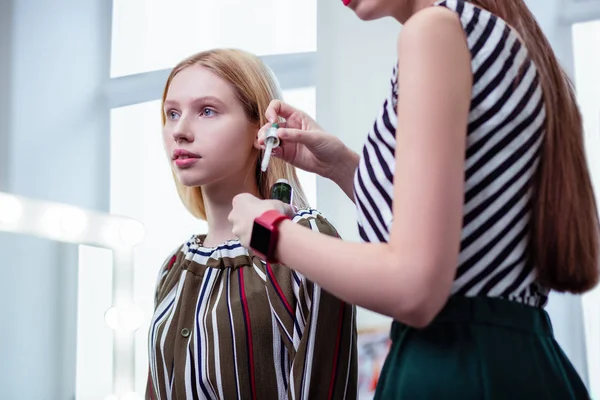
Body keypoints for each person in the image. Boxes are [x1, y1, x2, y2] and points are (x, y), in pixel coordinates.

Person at [228, 0, 599, 398]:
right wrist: (343, 166)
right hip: (513, 362)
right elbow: (464, 217)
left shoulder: (434, 32)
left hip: (457, 370)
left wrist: (269, 231)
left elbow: (414, 285)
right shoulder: (490, 34)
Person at [145, 48, 357, 400]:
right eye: (172, 113)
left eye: (207, 111)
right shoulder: (173, 268)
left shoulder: (306, 240)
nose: (179, 131)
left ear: (262, 129)